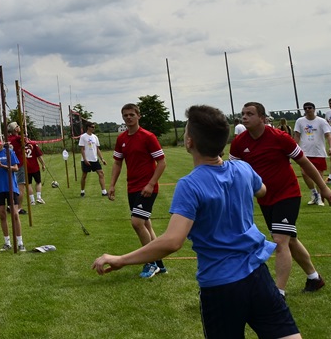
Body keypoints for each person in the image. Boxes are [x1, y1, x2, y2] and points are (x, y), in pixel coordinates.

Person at [93, 105, 301, 339]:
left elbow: (172, 241)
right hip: (259, 277)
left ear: (189, 142)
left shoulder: (190, 185)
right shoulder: (243, 168)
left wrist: (122, 259)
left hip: (221, 286)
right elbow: (261, 190)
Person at [231, 101, 331, 296]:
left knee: (279, 240)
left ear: (262, 118)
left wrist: (323, 187)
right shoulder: (239, 143)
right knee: (290, 239)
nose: (244, 117)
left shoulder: (280, 138)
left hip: (288, 194)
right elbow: (234, 172)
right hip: (264, 198)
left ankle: (278, 293)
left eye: (250, 114)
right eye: (243, 114)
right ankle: (314, 278)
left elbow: (304, 162)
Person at [109, 103, 168, 279]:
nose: (128, 118)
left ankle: (149, 263)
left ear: (138, 116)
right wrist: (111, 185)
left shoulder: (148, 137)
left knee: (137, 223)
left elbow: (162, 162)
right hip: (132, 187)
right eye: (125, 115)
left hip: (147, 188)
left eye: (131, 115)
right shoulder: (121, 139)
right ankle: (159, 263)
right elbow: (118, 163)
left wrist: (151, 184)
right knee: (146, 224)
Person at [0, 141, 24, 252]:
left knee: (15, 214)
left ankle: (20, 242)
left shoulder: (9, 152)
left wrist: (2, 165)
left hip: (11, 187)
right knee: (2, 214)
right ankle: (7, 242)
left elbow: (16, 168)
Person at [292, 102, 331, 205]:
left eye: (309, 108)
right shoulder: (300, 121)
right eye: (305, 108)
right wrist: (293, 147)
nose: (307, 109)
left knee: (319, 175)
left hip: (318, 152)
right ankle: (313, 193)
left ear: (314, 109)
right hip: (305, 152)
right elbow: (297, 135)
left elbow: (328, 135)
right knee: (304, 173)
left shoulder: (321, 121)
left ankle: (320, 196)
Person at [78, 122, 108, 197]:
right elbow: (82, 149)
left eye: (94, 127)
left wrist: (102, 159)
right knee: (84, 175)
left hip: (94, 159)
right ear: (88, 127)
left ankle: (104, 191)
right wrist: (85, 159)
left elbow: (97, 149)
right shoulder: (83, 137)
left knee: (101, 173)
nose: (93, 128)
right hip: (86, 160)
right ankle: (82, 191)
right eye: (92, 127)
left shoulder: (95, 137)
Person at [24, 139, 47, 206]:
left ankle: (32, 200)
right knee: (38, 182)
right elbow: (39, 156)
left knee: (28, 184)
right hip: (34, 167)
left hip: (25, 167)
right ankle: (39, 197)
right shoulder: (33, 144)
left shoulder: (21, 145)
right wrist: (43, 164)